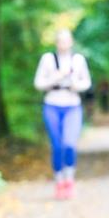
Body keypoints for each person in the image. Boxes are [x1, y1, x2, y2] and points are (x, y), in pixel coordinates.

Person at [33, 29, 92, 200]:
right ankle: (59, 181)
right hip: (52, 104)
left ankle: (69, 179)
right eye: (60, 40)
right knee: (57, 145)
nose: (63, 44)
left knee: (69, 144)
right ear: (56, 43)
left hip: (72, 105)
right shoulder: (48, 59)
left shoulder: (78, 60)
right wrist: (55, 78)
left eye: (66, 40)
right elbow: (38, 83)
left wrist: (75, 84)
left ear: (71, 42)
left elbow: (86, 82)